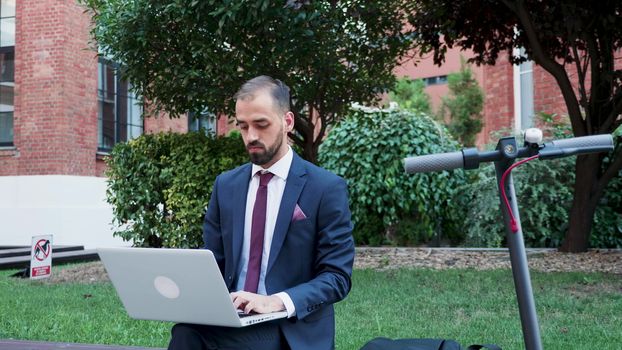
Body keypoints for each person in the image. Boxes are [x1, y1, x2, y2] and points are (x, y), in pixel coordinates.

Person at [168, 75, 355, 350]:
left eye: (261, 124)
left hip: (290, 326)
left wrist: (277, 301)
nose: (251, 136)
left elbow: (337, 277)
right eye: (243, 126)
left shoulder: (326, 188)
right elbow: (214, 263)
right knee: (185, 333)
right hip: (235, 317)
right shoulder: (226, 186)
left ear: (287, 122)